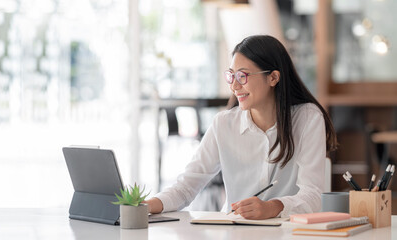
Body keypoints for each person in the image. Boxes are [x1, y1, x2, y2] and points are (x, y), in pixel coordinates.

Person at [144, 35, 337, 220]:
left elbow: (312, 195)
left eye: (242, 76)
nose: (234, 86)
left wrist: (272, 207)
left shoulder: (308, 118)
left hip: (288, 233)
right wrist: (146, 206)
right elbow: (186, 186)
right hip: (234, 230)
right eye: (231, 76)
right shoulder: (223, 124)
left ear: (273, 78)